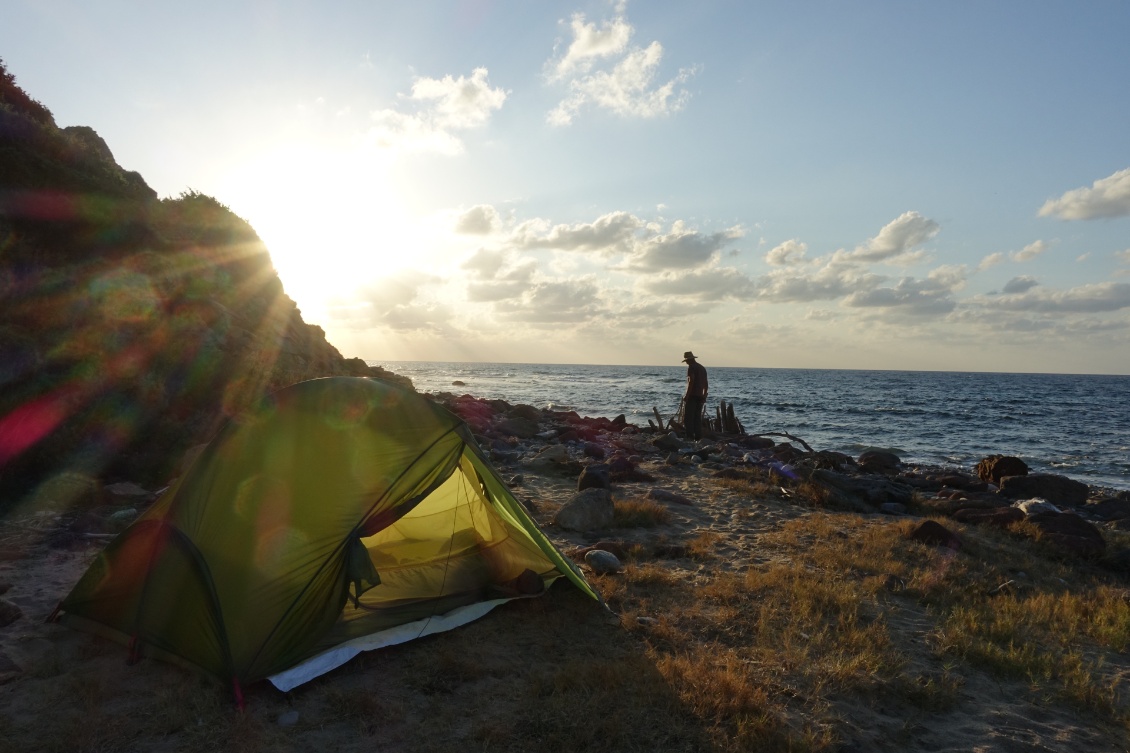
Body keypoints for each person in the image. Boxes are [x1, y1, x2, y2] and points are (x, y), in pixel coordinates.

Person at [682, 351, 708, 441]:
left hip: (692, 395)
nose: (686, 362)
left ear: (689, 360)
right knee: (697, 418)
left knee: (688, 418)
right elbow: (706, 384)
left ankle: (689, 437)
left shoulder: (691, 368)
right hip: (700, 395)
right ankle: (698, 437)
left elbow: (691, 381)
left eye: (686, 360)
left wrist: (687, 395)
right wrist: (704, 395)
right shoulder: (702, 368)